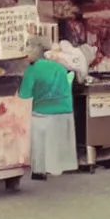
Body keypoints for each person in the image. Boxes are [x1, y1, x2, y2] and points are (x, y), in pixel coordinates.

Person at [18, 36, 78, 180]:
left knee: (38, 139)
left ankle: (39, 171)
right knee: (57, 142)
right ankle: (57, 168)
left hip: (43, 113)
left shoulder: (33, 69)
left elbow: (24, 96)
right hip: (65, 111)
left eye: (28, 48)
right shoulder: (59, 66)